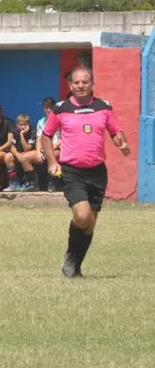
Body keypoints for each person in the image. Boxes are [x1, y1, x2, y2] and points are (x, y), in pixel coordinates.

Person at [41, 65, 130, 278]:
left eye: (85, 82)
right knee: (82, 216)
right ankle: (71, 255)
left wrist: (122, 143)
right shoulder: (61, 109)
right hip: (70, 172)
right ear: (70, 85)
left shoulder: (104, 107)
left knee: (90, 224)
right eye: (77, 82)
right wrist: (52, 162)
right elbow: (45, 136)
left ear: (92, 84)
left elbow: (115, 131)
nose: (81, 85)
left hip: (98, 172)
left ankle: (74, 266)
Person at [4, 114, 37, 191]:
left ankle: (31, 183)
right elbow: (12, 147)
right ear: (17, 125)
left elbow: (27, 148)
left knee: (25, 156)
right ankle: (14, 184)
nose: (23, 127)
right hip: (20, 153)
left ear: (29, 124)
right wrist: (17, 154)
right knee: (7, 157)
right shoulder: (15, 131)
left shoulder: (33, 131)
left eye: (25, 124)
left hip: (31, 153)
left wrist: (22, 135)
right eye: (21, 125)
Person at [35, 97, 61, 191]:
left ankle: (55, 181)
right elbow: (39, 138)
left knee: (50, 156)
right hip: (45, 149)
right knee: (31, 158)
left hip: (58, 148)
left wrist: (52, 147)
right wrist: (38, 152)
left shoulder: (59, 118)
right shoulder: (41, 122)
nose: (48, 110)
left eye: (50, 107)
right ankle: (34, 184)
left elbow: (63, 138)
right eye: (46, 107)